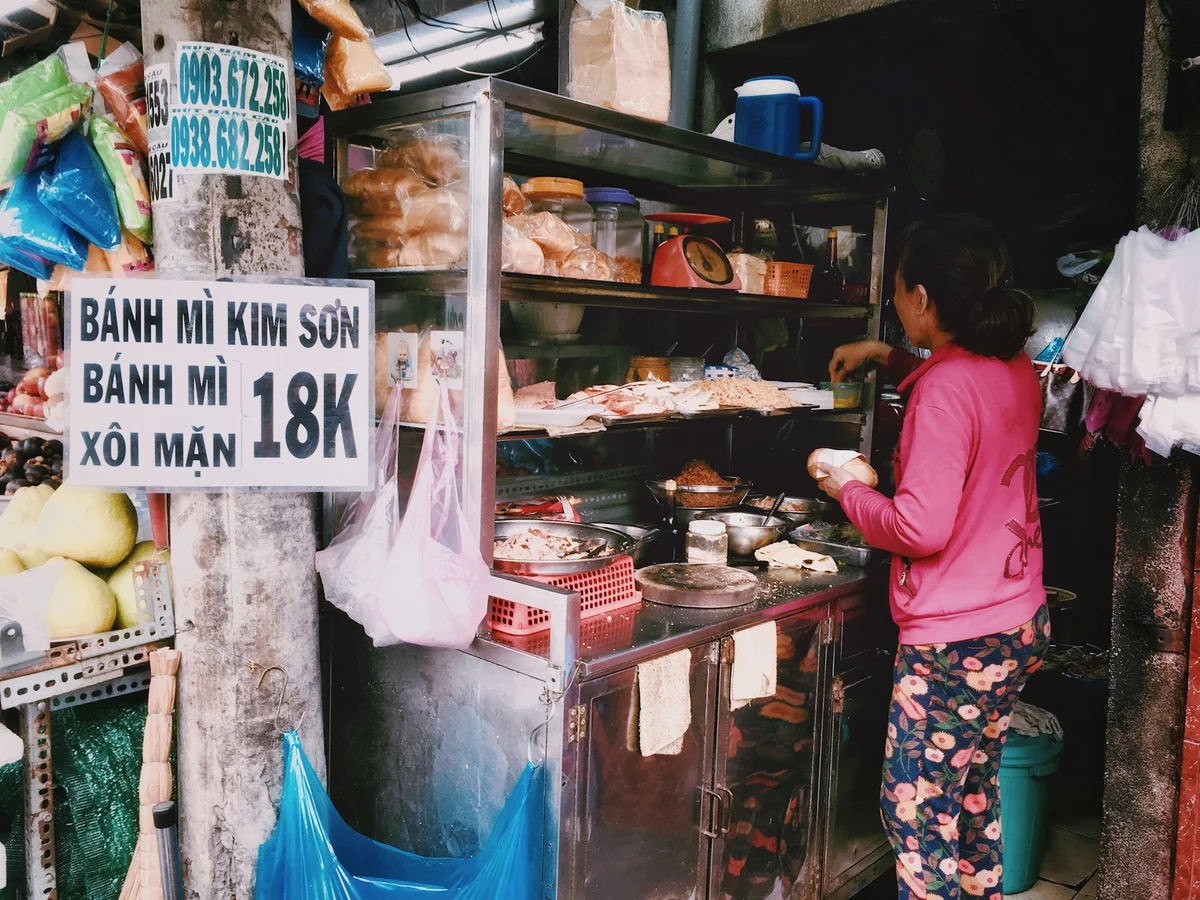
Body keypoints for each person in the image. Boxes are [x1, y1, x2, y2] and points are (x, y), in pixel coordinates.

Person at [818, 214, 1050, 900]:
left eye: (896, 291)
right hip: (1016, 621)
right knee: (970, 798)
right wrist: (885, 356)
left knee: (916, 817)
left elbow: (919, 529)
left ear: (921, 298)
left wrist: (847, 491)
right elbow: (961, 389)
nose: (894, 302)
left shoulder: (943, 392)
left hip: (957, 641)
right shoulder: (1012, 365)